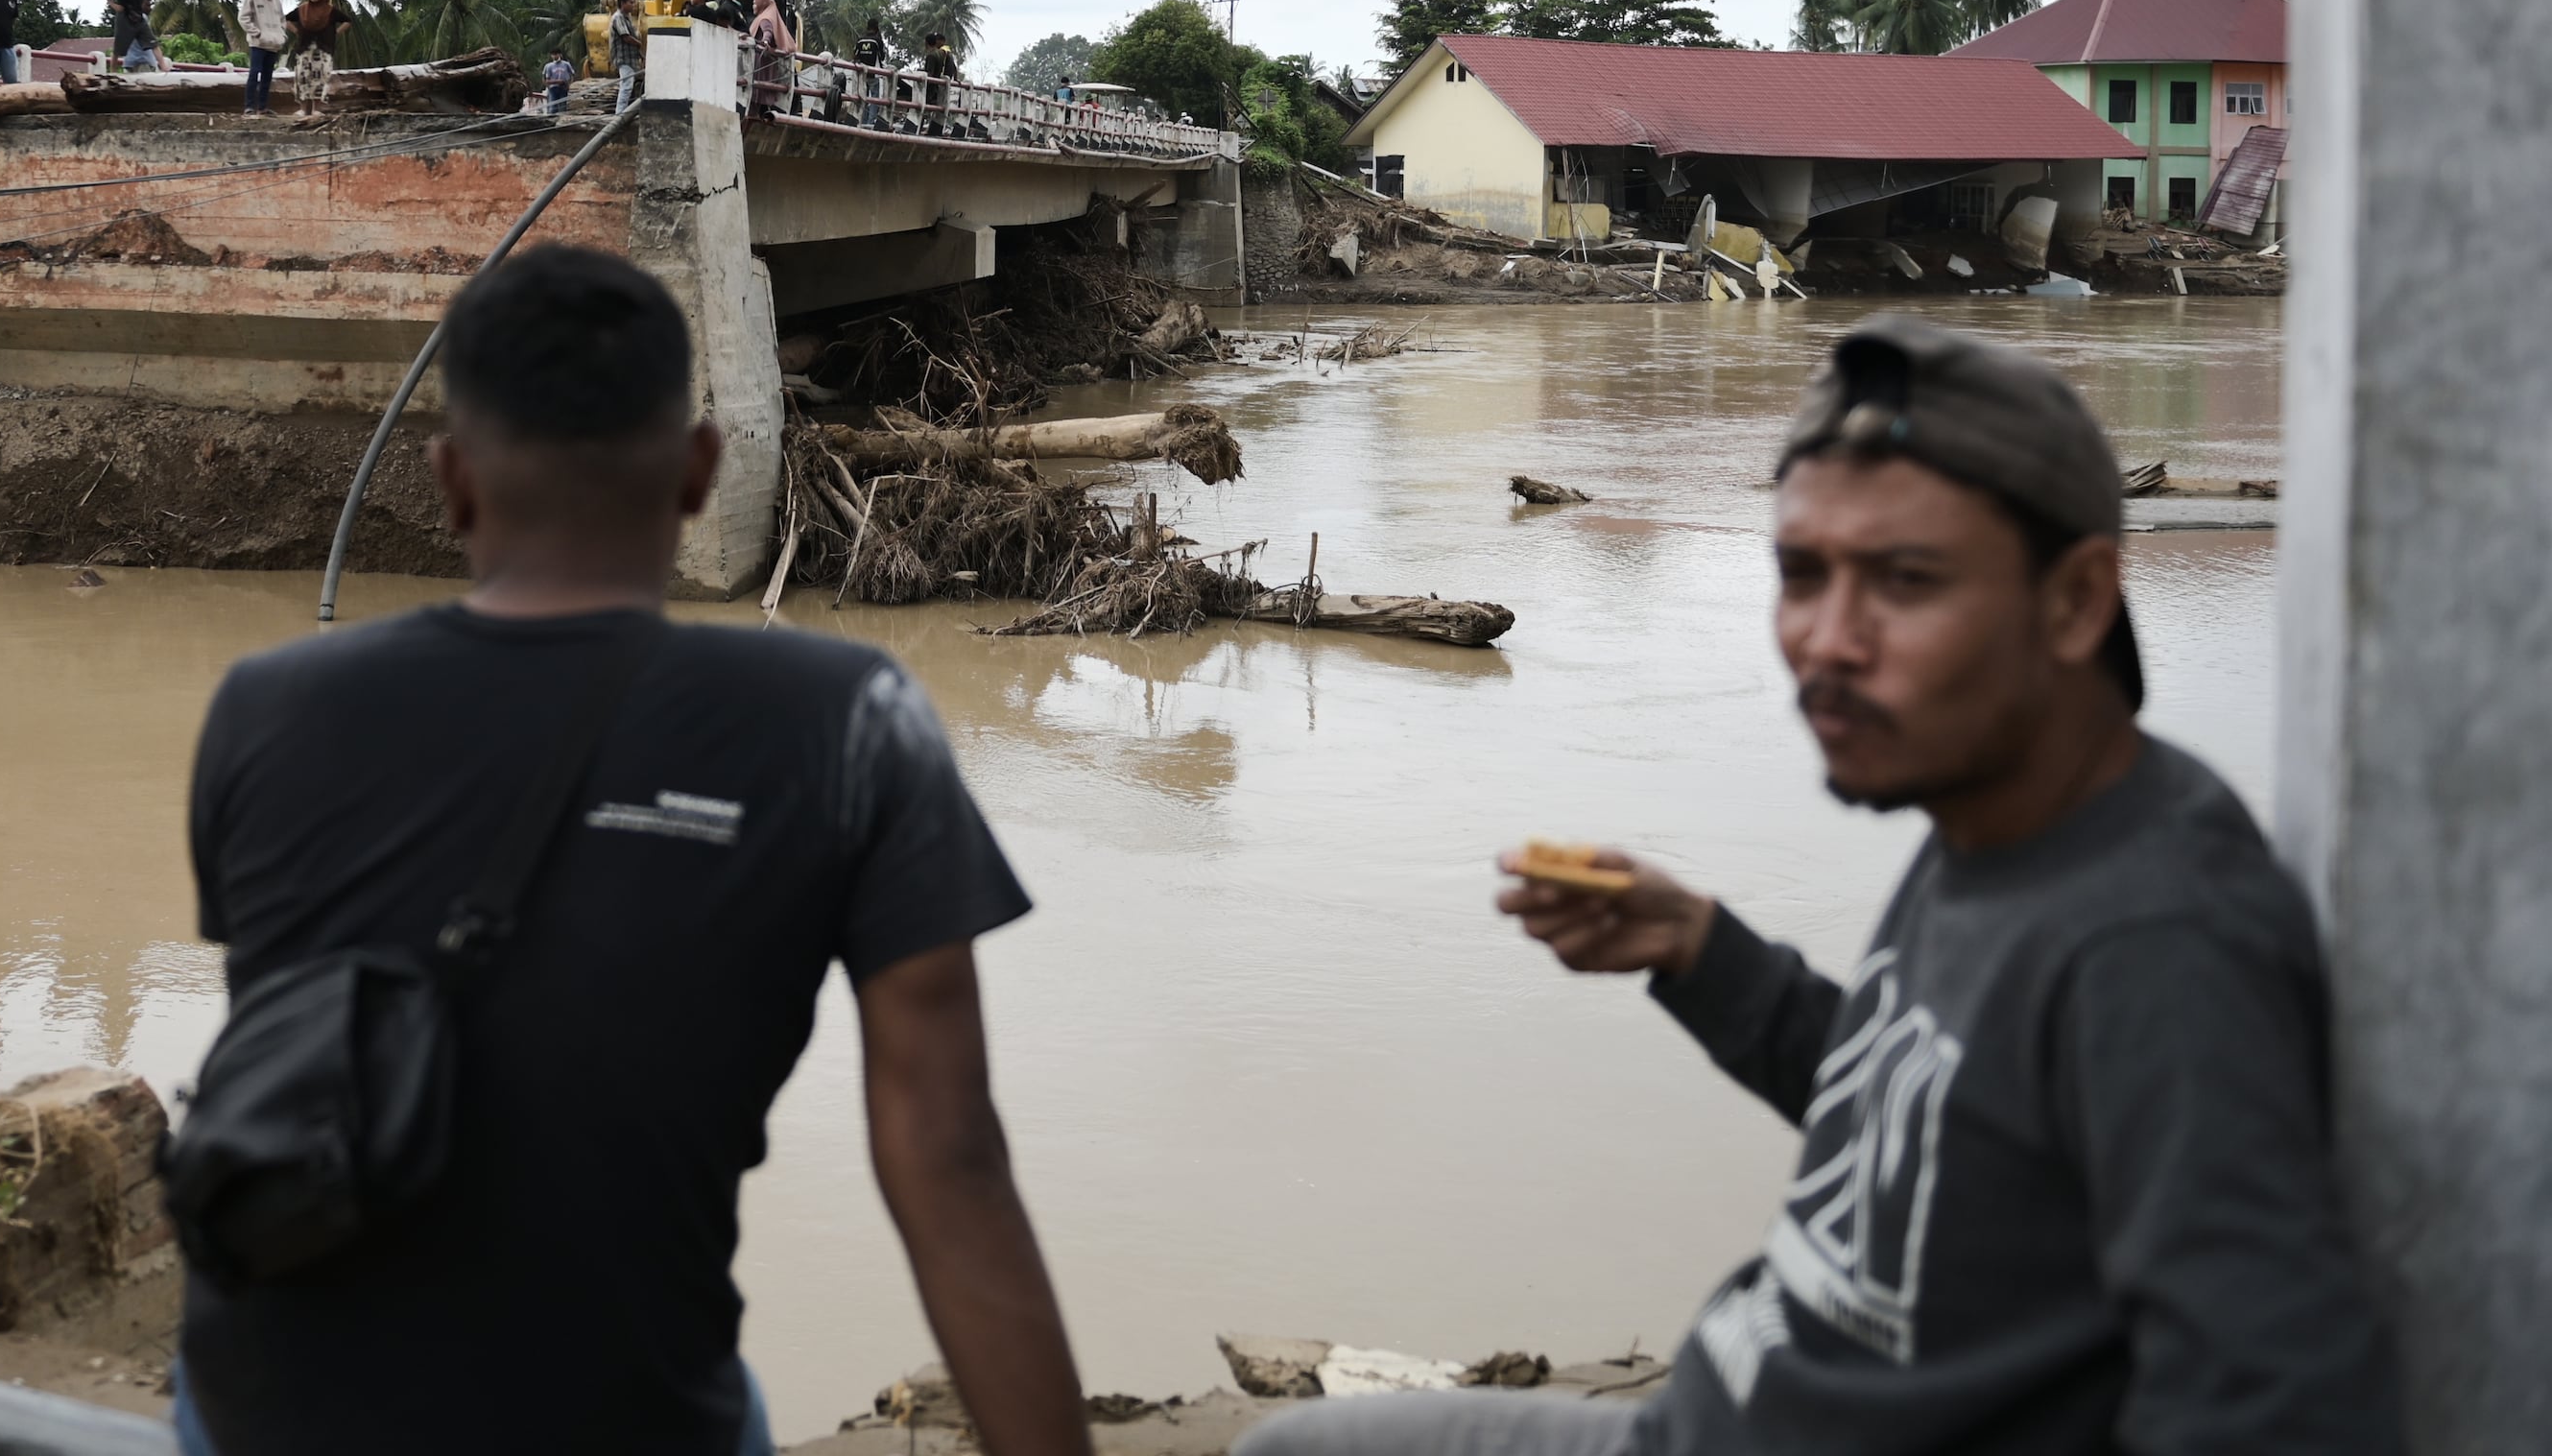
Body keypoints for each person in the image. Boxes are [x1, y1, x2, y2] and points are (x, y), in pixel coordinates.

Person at [1235, 316, 2399, 1456]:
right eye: (1802, 573)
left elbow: (2275, 1401)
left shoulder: (2156, 941)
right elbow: (1918, 1124)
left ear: (2077, 601)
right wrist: (1698, 948)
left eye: (1905, 580)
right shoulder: (1993, 817)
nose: (1828, 640)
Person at [178, 246, 1089, 1456]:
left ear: (452, 482)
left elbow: (313, 1043)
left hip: (265, 1412)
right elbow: (950, 1158)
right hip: (627, 1416)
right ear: (703, 473)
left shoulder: (263, 706)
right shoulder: (847, 718)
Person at [284, 0, 345, 113]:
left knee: (320, 79)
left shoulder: (330, 10)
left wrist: (336, 32)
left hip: (323, 50)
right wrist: (296, 31)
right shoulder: (302, 9)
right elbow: (286, 20)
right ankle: (303, 109)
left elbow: (347, 21)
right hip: (305, 50)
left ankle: (317, 109)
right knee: (303, 78)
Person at [234, 0, 287, 116]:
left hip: (273, 44)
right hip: (258, 43)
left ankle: (263, 107)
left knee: (267, 77)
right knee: (254, 73)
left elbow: (282, 19)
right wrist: (256, 33)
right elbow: (243, 17)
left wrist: (281, 36)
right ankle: (249, 106)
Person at [610, 0, 646, 109]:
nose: (633, 5)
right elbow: (625, 37)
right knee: (626, 87)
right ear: (622, 3)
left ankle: (622, 113)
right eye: (631, 3)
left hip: (630, 58)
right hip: (624, 58)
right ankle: (619, 115)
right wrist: (639, 43)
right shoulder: (618, 17)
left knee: (628, 87)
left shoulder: (627, 18)